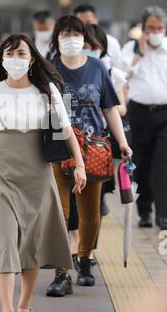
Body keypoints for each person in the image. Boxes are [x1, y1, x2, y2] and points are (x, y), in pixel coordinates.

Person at [0, 34, 86, 312]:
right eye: (9, 53)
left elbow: (67, 132)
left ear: (31, 60)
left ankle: (25, 306)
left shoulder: (47, 91)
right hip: (1, 174)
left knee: (31, 246)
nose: (15, 58)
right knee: (3, 240)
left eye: (21, 53)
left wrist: (79, 164)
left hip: (39, 175)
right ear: (2, 59)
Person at [46, 15, 132, 293]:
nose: (71, 38)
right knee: (59, 211)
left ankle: (84, 259)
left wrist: (122, 142)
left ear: (84, 38)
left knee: (91, 214)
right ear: (56, 38)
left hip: (92, 148)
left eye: (76, 33)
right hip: (58, 149)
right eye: (65, 33)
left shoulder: (97, 67)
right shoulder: (48, 69)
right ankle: (61, 273)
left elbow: (108, 108)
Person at [126, 6, 167, 230]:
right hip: (139, 113)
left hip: (165, 114)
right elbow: (121, 77)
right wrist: (139, 54)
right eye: (151, 28)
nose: (156, 32)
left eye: (160, 28)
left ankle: (163, 214)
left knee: (163, 164)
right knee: (142, 164)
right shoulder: (130, 49)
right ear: (143, 29)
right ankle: (144, 211)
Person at [74, 4, 123, 70]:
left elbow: (118, 68)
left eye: (89, 22)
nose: (85, 26)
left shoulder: (110, 42)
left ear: (96, 20)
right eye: (81, 23)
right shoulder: (72, 42)